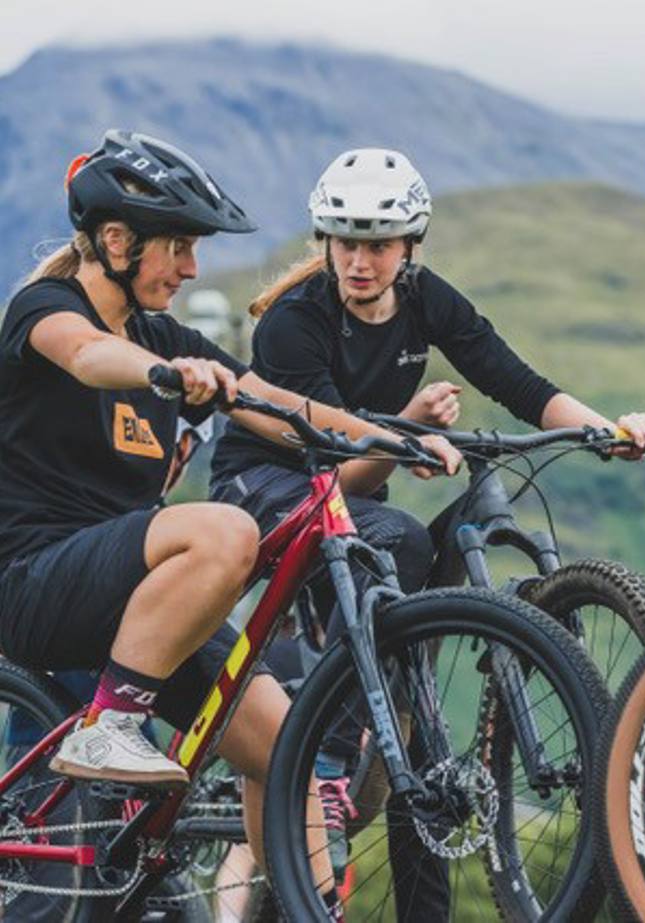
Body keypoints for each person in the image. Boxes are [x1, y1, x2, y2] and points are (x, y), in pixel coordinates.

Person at [0, 131, 459, 917]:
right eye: (177, 246)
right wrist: (162, 375)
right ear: (116, 241)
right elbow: (82, 355)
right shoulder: (49, 309)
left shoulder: (163, 335)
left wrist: (388, 437)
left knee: (290, 754)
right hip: (38, 582)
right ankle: (110, 723)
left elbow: (278, 405)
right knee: (222, 530)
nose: (190, 268)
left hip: (135, 603)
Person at [209, 146, 645, 917]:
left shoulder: (427, 300)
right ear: (325, 242)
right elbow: (331, 447)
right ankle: (329, 746)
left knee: (423, 743)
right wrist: (404, 438)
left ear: (409, 246)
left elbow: (514, 380)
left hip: (355, 499)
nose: (359, 260)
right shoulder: (295, 322)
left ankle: (400, 699)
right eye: (346, 241)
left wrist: (605, 429)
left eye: (378, 244)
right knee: (402, 542)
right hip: (268, 487)